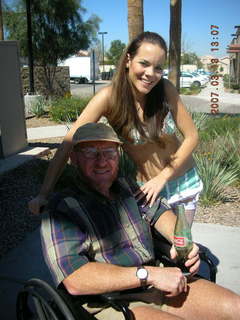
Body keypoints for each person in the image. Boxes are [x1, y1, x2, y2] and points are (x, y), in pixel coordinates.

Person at [41, 122, 240, 320]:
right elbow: (75, 279)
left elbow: (159, 212)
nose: (101, 161)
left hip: (156, 286)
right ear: (74, 158)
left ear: (118, 156)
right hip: (109, 302)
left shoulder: (127, 186)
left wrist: (180, 241)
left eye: (109, 152)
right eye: (90, 152)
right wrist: (149, 274)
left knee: (235, 307)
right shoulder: (62, 208)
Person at [31, 31, 202, 226]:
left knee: (181, 250)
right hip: (147, 190)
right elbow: (68, 144)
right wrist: (43, 194)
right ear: (128, 60)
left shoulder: (165, 89)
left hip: (184, 184)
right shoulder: (109, 98)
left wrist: (163, 177)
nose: (150, 74)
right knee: (149, 251)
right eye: (144, 63)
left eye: (158, 68)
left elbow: (192, 136)